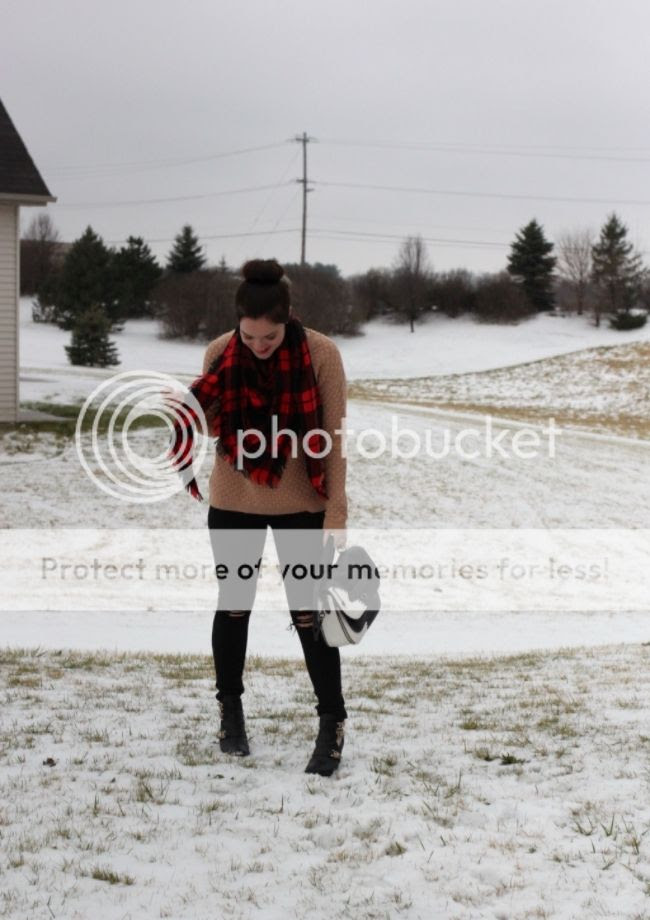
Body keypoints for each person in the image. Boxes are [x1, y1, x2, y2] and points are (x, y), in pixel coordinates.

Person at [170, 258, 349, 776]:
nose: (258, 346)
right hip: (234, 499)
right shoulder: (220, 352)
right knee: (233, 606)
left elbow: (333, 437)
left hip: (302, 503)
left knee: (309, 614)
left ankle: (332, 721)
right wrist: (193, 408)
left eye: (268, 337)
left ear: (288, 319)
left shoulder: (321, 354)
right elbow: (214, 428)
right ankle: (230, 712)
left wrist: (337, 510)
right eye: (248, 336)